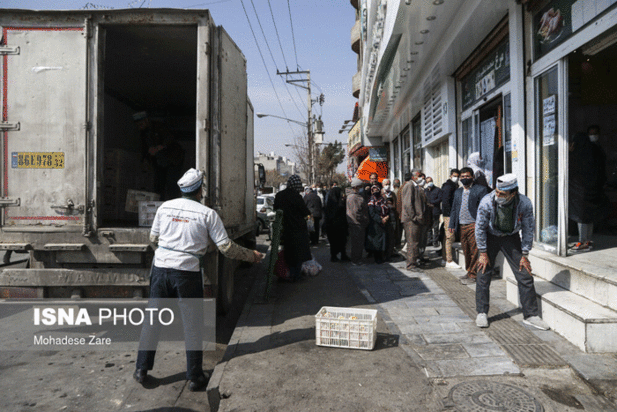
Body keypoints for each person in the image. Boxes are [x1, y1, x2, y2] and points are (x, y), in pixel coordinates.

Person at [134, 168, 265, 391]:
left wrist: (167, 253)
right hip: (187, 273)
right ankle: (195, 376)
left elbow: (153, 239)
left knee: (153, 319)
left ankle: (141, 369)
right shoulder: (207, 214)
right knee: (192, 324)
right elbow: (226, 247)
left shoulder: (164, 207)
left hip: (161, 268)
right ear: (200, 190)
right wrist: (251, 255)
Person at [474, 173, 549, 330]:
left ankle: (531, 315)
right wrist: (482, 252)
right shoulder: (487, 201)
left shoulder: (524, 203)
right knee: (483, 272)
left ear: (513, 193)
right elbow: (479, 228)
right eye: (496, 191)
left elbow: (529, 229)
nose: (498, 195)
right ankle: (481, 312)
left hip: (511, 237)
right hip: (489, 237)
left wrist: (525, 254)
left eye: (502, 194)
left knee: (525, 274)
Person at [568, 127, 609, 252]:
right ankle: (588, 240)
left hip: (579, 192)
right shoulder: (595, 150)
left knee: (581, 217)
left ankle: (582, 242)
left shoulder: (577, 154)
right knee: (589, 216)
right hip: (593, 189)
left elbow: (569, 168)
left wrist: (569, 152)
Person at [449, 167, 489, 284]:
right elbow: (454, 209)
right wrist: (452, 224)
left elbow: (484, 209)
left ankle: (473, 274)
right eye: (462, 177)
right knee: (466, 250)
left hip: (474, 224)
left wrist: (481, 223)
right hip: (462, 225)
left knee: (474, 250)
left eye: (467, 176)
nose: (464, 178)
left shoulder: (480, 190)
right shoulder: (458, 191)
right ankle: (469, 271)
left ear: (472, 177)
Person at [135, 111, 185, 200]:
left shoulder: (159, 126)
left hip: (172, 159)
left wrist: (157, 148)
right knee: (158, 185)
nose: (140, 125)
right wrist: (145, 159)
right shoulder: (143, 133)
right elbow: (144, 149)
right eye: (138, 124)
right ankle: (159, 205)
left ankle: (174, 204)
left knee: (171, 184)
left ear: (146, 120)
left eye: (141, 123)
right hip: (159, 161)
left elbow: (169, 140)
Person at [274, 175, 313, 281]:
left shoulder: (279, 195)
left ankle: (286, 273)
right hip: (298, 230)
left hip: (285, 230)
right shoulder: (297, 197)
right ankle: (295, 275)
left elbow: (275, 209)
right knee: (298, 254)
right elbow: (305, 212)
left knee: (288, 253)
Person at [401, 169, 429, 271]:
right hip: (411, 220)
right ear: (414, 177)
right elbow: (408, 204)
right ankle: (411, 264)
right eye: (419, 175)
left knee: (416, 242)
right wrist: (414, 217)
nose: (422, 178)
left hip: (416, 219)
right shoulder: (410, 185)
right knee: (412, 243)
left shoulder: (417, 187)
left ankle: (415, 261)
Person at [441, 169, 461, 269]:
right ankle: (449, 260)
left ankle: (445, 258)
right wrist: (450, 215)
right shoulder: (449, 186)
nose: (456, 178)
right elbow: (446, 202)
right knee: (450, 236)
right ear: (450, 176)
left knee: (447, 237)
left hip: (450, 214)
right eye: (454, 175)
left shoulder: (453, 186)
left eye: (458, 176)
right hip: (449, 215)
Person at [347, 177, 370, 265]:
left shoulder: (356, 196)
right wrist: (364, 219)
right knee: (357, 243)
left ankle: (357, 258)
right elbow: (356, 212)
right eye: (361, 186)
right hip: (356, 223)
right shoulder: (353, 197)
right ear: (356, 187)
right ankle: (356, 260)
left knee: (358, 243)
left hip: (357, 223)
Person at [324, 186, 349, 262]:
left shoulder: (332, 202)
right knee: (335, 242)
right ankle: (334, 256)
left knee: (342, 241)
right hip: (334, 227)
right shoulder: (334, 203)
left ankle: (343, 255)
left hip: (339, 226)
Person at [366, 185, 389, 264]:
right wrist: (380, 220)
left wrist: (386, 217)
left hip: (383, 222)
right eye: (374, 190)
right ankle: (377, 258)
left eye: (377, 189)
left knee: (382, 240)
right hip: (375, 223)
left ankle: (382, 256)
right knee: (376, 241)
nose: (375, 191)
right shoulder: (371, 200)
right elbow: (371, 213)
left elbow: (386, 208)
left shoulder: (382, 199)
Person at [425, 177, 442, 248]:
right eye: (428, 181)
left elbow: (440, 198)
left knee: (435, 227)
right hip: (428, 212)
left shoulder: (438, 190)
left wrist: (432, 203)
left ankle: (435, 241)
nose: (429, 182)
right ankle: (429, 240)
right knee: (428, 227)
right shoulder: (425, 191)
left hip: (435, 211)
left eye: (430, 181)